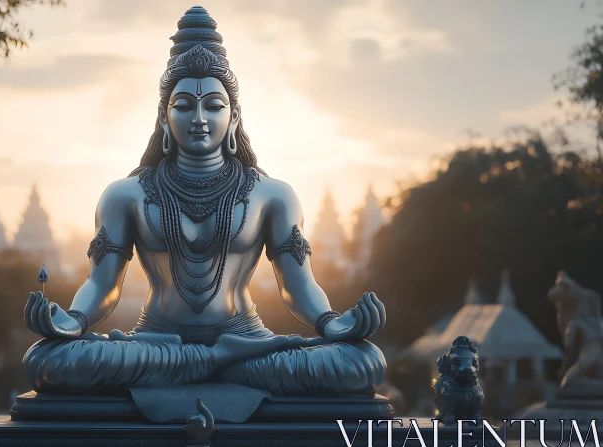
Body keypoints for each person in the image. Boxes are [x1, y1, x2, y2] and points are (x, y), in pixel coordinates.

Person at [23, 5, 386, 397]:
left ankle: (203, 365)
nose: (199, 117)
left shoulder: (271, 194)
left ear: (234, 117)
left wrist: (332, 324)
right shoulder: (126, 194)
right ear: (163, 118)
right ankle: (214, 364)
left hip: (244, 340)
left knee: (360, 362)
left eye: (214, 105)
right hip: (156, 342)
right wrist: (73, 322)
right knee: (48, 361)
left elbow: (297, 286)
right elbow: (102, 283)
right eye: (183, 105)